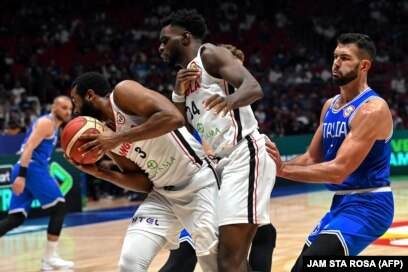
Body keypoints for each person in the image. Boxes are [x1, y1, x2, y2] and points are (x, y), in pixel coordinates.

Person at [265, 33, 394, 271]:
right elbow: (311, 158)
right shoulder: (330, 105)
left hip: (370, 204)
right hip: (341, 203)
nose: (336, 62)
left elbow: (338, 172)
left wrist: (282, 170)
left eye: (345, 58)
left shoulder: (372, 109)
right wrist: (268, 167)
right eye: (335, 56)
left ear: (364, 65)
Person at [159, 10, 276, 271]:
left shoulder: (210, 53)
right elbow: (182, 129)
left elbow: (254, 87)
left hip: (245, 154)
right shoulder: (185, 80)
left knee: (228, 262)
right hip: (221, 165)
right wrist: (178, 95)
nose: (161, 47)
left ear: (185, 37)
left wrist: (230, 100)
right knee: (222, 260)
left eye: (165, 40)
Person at [69, 71, 219, 272]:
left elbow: (174, 118)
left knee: (214, 264)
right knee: (130, 263)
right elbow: (144, 182)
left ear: (90, 95)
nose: (75, 110)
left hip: (198, 182)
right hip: (163, 195)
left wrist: (118, 139)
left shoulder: (122, 94)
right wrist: (100, 173)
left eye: (75, 101)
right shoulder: (104, 135)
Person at [0, 96, 74, 270]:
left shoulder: (54, 127)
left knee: (15, 218)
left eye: (70, 108)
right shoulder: (46, 123)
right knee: (59, 208)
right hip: (30, 168)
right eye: (64, 107)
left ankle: (50, 259)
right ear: (54, 107)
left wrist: (47, 176)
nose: (68, 112)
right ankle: (49, 259)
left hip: (31, 168)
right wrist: (22, 176)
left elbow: (40, 154)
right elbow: (28, 148)